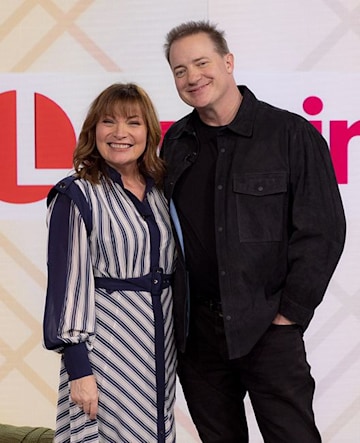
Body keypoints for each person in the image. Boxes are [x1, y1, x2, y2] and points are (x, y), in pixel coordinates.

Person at [161, 20, 346, 443]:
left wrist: (290, 315)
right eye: (179, 70)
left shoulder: (289, 134)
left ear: (228, 62)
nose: (192, 77)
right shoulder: (176, 142)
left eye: (201, 62)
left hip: (268, 329)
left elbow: (324, 230)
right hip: (199, 338)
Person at [43, 83, 176, 443]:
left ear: (148, 131)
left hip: (161, 351)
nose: (120, 133)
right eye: (108, 122)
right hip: (106, 352)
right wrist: (79, 371)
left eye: (133, 122)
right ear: (93, 131)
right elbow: (66, 286)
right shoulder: (76, 194)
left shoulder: (163, 191)